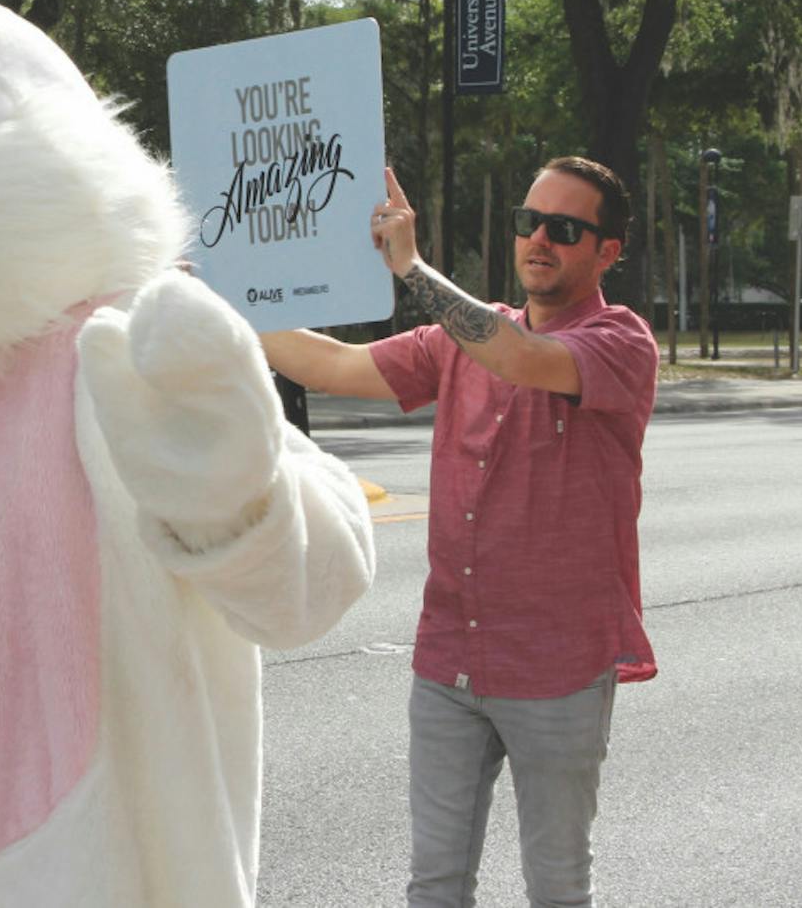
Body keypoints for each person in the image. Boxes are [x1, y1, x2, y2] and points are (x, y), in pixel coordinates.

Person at [263, 156, 658, 908]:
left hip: (558, 667)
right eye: (529, 221)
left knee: (557, 887)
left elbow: (520, 357)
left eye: (564, 228)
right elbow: (333, 365)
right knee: (435, 886)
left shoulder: (622, 341)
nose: (539, 239)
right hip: (451, 659)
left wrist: (410, 266)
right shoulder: (460, 340)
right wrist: (221, 303)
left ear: (608, 250)